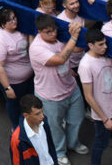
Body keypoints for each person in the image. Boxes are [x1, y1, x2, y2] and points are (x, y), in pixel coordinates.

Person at [27, 14, 86, 165]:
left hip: (71, 88)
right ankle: (60, 152)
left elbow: (76, 49)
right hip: (50, 96)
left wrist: (77, 31)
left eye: (54, 30)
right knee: (55, 127)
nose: (53, 34)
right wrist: (73, 38)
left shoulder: (60, 37)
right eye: (48, 32)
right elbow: (60, 59)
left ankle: (73, 143)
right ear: (39, 32)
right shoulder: (37, 48)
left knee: (76, 119)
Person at [79, 29, 112, 165]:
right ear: (91, 45)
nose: (105, 47)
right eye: (101, 44)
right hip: (103, 112)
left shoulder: (106, 55)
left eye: (105, 43)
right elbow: (88, 96)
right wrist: (105, 119)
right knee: (101, 143)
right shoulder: (86, 65)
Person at [0, 7, 33, 127]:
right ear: (3, 24)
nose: (14, 21)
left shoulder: (21, 28)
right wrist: (7, 88)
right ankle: (16, 127)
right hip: (13, 82)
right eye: (10, 20)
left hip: (28, 76)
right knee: (14, 104)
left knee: (29, 102)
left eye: (14, 18)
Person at [9, 94, 58, 165]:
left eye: (42, 111)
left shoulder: (44, 122)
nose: (42, 116)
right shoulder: (17, 139)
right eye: (37, 114)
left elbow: (50, 146)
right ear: (26, 115)